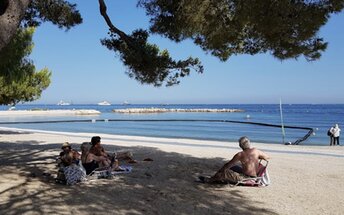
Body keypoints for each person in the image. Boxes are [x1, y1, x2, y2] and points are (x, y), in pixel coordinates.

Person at [199, 136, 270, 184]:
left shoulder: (240, 154)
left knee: (225, 170)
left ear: (240, 145)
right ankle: (216, 178)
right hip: (255, 176)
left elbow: (228, 165)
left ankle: (210, 180)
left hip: (246, 178)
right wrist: (257, 157)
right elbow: (268, 157)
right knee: (234, 167)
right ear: (249, 144)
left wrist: (221, 170)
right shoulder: (255, 151)